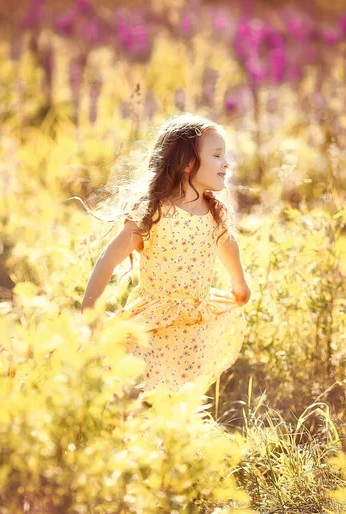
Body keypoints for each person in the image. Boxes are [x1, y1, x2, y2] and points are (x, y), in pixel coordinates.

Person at [81, 113, 251, 394]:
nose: (226, 163)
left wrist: (239, 283)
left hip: (194, 320)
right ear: (187, 164)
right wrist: (89, 314)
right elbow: (109, 259)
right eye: (217, 155)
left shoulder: (214, 212)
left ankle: (170, 433)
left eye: (225, 155)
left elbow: (227, 244)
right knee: (135, 390)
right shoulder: (153, 212)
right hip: (154, 322)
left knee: (179, 394)